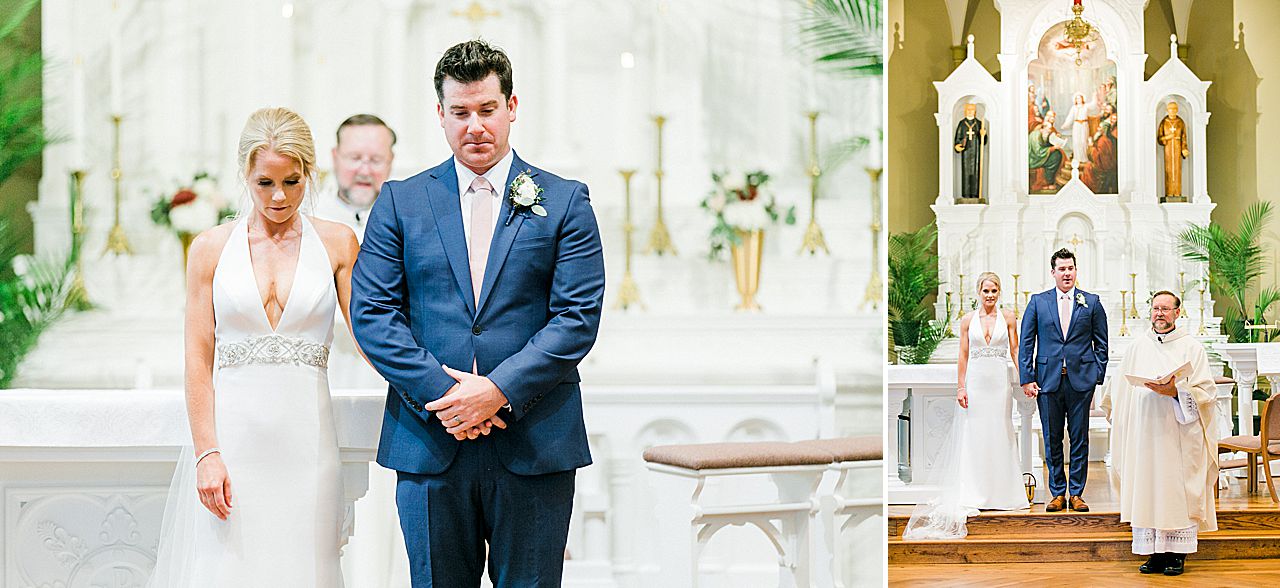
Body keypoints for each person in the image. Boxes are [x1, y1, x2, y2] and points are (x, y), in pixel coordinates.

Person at [351, 39, 605, 586]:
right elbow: (372, 314)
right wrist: (447, 397)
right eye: (460, 113)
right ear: (440, 115)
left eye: (487, 110)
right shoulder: (399, 201)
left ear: (512, 106)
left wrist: (496, 390)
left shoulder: (564, 201)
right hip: (429, 439)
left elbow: (577, 317)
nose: (475, 126)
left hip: (535, 437)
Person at [148, 107, 361, 586]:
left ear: (310, 173)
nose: (280, 196)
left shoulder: (338, 243)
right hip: (235, 447)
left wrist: (432, 375)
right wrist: (208, 454)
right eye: (265, 182)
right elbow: (198, 359)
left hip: (308, 444)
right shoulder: (209, 248)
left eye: (293, 181)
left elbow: (373, 338)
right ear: (245, 174)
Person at [1100, 291, 1217, 576]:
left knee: (1175, 489)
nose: (1159, 314)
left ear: (1178, 313)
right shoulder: (1137, 347)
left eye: (1166, 309)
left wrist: (1176, 391)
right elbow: (1117, 387)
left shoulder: (1192, 348)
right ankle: (1153, 552)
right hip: (1144, 435)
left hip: (1178, 434)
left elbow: (1206, 393)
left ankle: (1177, 553)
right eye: (1155, 308)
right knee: (1148, 487)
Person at [903, 273, 1027, 540]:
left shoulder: (1008, 318)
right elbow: (963, 354)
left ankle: (1003, 492)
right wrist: (961, 386)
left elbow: (1016, 350)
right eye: (986, 290)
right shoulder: (967, 320)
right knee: (975, 434)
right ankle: (974, 491)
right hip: (976, 384)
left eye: (994, 290)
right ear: (978, 292)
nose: (990, 295)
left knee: (1000, 433)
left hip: (998, 384)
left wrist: (1026, 379)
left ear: (999, 291)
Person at [1019, 248, 1108, 513]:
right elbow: (1026, 343)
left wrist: (1095, 376)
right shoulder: (1038, 302)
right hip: (1048, 381)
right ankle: (1057, 493)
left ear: (1076, 271)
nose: (1066, 273)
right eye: (1062, 269)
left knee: (1080, 438)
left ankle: (1077, 494)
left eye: (1070, 268)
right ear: (1053, 272)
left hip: (1080, 381)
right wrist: (1027, 378)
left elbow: (1102, 343)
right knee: (1052, 437)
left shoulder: (1091, 302)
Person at [314, 114, 396, 239]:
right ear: (335, 157)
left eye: (376, 160)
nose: (365, 171)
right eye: (355, 158)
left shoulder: (405, 219)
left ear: (390, 160)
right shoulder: (310, 217)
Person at [1157, 101, 1189, 199]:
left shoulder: (1180, 122)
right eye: (1171, 109)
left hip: (1177, 147)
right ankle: (1169, 193)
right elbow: (1159, 138)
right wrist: (1167, 137)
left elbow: (1184, 136)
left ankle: (1177, 193)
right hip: (1168, 148)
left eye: (1175, 109)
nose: (1173, 111)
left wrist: (1184, 148)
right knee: (1169, 170)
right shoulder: (1164, 122)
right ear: (1167, 110)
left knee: (1177, 170)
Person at [953, 103, 985, 199]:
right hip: (966, 152)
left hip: (976, 152)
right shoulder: (962, 124)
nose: (970, 112)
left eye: (972, 110)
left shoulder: (979, 124)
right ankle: (966, 194)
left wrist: (983, 135)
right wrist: (958, 145)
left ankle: (975, 194)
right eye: (968, 110)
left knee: (975, 171)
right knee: (966, 172)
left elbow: (983, 142)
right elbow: (958, 138)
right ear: (965, 111)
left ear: (975, 112)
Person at [1029, 111, 1065, 192]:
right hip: (1034, 159)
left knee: (1058, 154)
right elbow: (1038, 152)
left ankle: (1050, 181)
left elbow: (1045, 143)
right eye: (1048, 130)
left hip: (1041, 155)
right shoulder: (1035, 135)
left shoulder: (1043, 133)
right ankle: (1047, 183)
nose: (1049, 132)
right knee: (1055, 157)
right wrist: (1052, 148)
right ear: (1043, 128)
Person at [1067, 93, 1090, 165]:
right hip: (1076, 125)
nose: (1078, 100)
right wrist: (1065, 124)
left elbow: (1092, 112)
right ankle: (1077, 158)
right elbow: (1070, 118)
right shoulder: (1073, 108)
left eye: (1079, 98)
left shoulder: (1086, 107)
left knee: (1083, 141)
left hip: (1084, 125)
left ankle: (1084, 158)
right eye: (1077, 98)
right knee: (1076, 141)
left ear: (1082, 99)